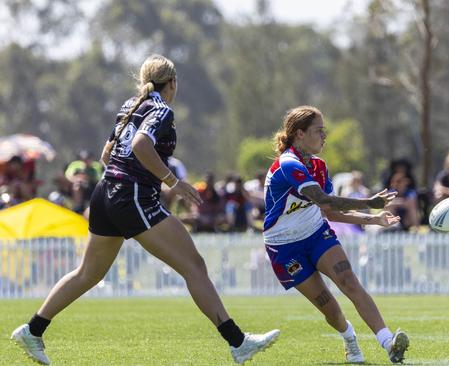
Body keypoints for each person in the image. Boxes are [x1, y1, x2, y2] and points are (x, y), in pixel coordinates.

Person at [10, 54, 279, 365]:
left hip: (106, 193)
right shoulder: (162, 110)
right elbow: (140, 145)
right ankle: (238, 343)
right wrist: (170, 182)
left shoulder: (129, 105)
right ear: (173, 83)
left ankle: (33, 329)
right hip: (131, 196)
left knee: (88, 273)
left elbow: (106, 155)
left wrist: (125, 183)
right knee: (194, 266)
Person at [263, 105, 409, 364]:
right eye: (318, 131)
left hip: (316, 233)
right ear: (299, 134)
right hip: (284, 247)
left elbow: (328, 211)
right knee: (329, 308)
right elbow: (321, 198)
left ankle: (388, 343)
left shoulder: (319, 166)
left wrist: (372, 219)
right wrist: (368, 203)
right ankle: (349, 338)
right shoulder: (288, 164)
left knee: (349, 281)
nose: (324, 136)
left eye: (324, 131)